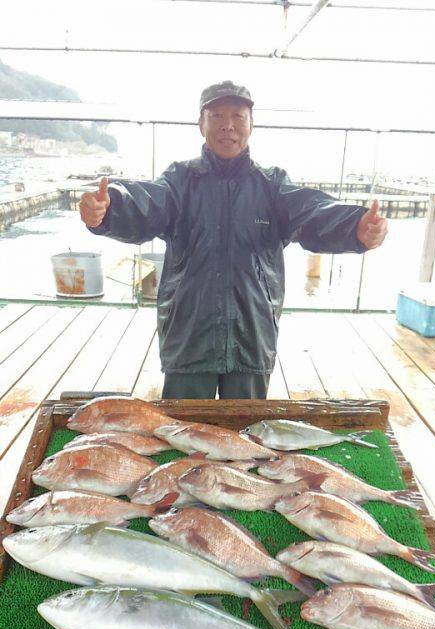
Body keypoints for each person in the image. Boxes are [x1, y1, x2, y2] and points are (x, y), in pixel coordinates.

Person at [80, 80, 387, 399]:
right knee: (182, 435)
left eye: (239, 116)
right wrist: (109, 209)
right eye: (217, 116)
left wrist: (356, 227)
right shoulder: (180, 181)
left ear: (251, 124)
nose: (228, 126)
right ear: (201, 124)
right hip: (188, 340)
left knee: (247, 439)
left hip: (251, 339)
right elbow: (146, 202)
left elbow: (312, 211)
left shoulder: (272, 185)